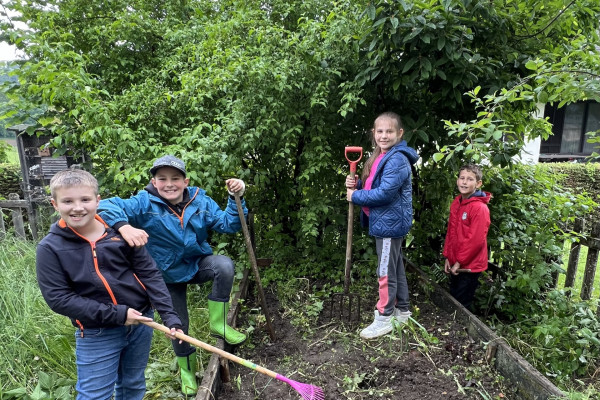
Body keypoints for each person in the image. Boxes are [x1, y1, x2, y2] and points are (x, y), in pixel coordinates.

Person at [97, 154, 248, 395]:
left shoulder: (200, 200)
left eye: (175, 178)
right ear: (154, 182)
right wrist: (124, 226)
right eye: (162, 178)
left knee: (224, 265)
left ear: (185, 181)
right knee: (178, 328)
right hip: (164, 275)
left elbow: (228, 224)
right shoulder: (143, 202)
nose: (169, 184)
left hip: (196, 263)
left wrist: (235, 197)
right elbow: (103, 205)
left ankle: (218, 324)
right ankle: (187, 372)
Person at [36, 169, 183, 400]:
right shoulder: (50, 248)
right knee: (94, 395)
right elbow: (59, 298)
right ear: (55, 204)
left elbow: (150, 274)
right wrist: (119, 314)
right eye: (68, 201)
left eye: (85, 199)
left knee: (133, 385)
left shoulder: (123, 235)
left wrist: (170, 316)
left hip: (142, 323)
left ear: (97, 201)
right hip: (97, 331)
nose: (77, 207)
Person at [345, 112, 419, 340]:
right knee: (395, 266)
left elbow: (385, 193)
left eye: (389, 131)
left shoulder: (397, 159)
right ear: (373, 133)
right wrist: (355, 184)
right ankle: (403, 311)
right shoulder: (381, 155)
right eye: (380, 131)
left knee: (385, 270)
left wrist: (355, 197)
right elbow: (373, 184)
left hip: (389, 224)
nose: (384, 135)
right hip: (388, 222)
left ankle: (385, 316)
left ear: (400, 133)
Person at [442, 164, 491, 311]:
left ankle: (462, 331)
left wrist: (459, 261)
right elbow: (451, 233)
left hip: (469, 267)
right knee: (454, 298)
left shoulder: (479, 208)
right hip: (455, 263)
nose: (464, 182)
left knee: (461, 304)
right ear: (457, 181)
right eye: (462, 178)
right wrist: (448, 257)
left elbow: (475, 240)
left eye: (470, 179)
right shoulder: (457, 203)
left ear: (478, 184)